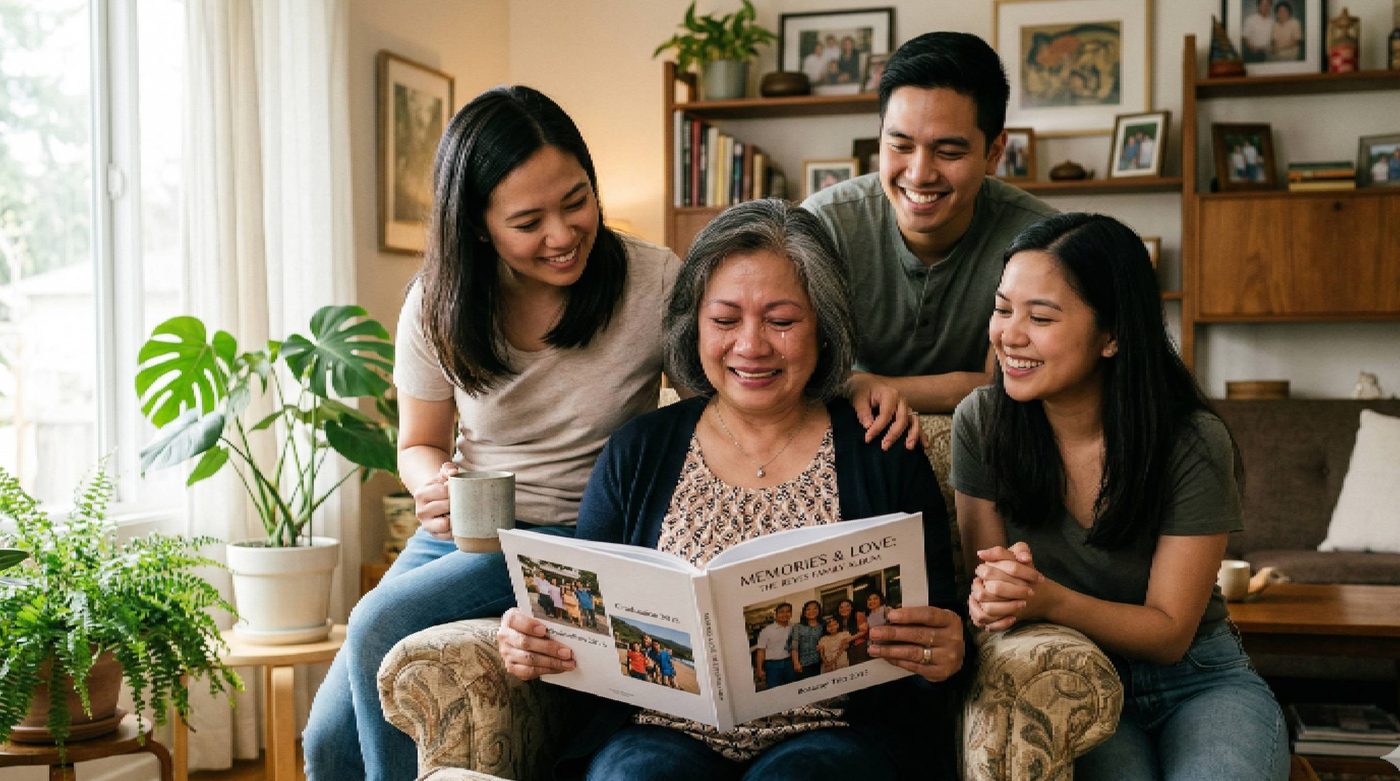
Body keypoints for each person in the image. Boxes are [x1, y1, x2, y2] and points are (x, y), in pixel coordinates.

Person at [495, 199, 966, 781]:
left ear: (824, 324)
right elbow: (584, 630)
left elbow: (938, 623)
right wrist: (534, 643)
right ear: (694, 325)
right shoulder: (637, 451)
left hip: (836, 736)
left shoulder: (882, 448)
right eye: (725, 321)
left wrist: (942, 650)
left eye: (782, 320)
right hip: (655, 734)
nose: (751, 346)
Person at [300, 85, 683, 781]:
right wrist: (431, 483)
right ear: (478, 226)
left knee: (375, 623)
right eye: (528, 221)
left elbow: (718, 410)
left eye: (576, 201)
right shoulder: (438, 302)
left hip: (577, 535)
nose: (563, 235)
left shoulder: (652, 280)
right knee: (328, 740)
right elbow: (419, 441)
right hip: (468, 532)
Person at [953, 212, 1289, 780]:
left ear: (1112, 335)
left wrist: (1048, 598)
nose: (1009, 334)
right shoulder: (982, 424)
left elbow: (1168, 632)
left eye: (1040, 317)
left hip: (1198, 679)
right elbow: (992, 604)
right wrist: (998, 599)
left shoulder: (1190, 439)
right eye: (1003, 308)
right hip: (1068, 678)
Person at [802, 32, 1056, 414]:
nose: (919, 174)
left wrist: (864, 385)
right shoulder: (824, 225)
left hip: (991, 437)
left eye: (949, 151)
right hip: (849, 430)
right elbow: (797, 370)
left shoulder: (1041, 241)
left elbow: (1005, 384)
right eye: (900, 146)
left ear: (994, 153)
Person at [753, 603, 797, 689]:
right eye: (781, 612)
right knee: (775, 690)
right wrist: (759, 669)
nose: (785, 614)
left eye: (788, 611)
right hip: (772, 666)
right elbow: (761, 651)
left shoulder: (794, 627)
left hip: (789, 663)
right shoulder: (766, 631)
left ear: (791, 614)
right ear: (776, 614)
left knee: (792, 688)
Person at [790, 600, 826, 680]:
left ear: (819, 610)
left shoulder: (823, 625)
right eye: (808, 609)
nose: (812, 611)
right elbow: (794, 646)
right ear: (804, 612)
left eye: (815, 608)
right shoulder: (798, 627)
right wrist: (796, 663)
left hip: (821, 662)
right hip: (804, 664)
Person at [834, 597, 870, 664]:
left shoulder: (858, 615)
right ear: (838, 609)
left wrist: (849, 639)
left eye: (847, 606)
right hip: (847, 649)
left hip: (860, 645)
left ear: (852, 607)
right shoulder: (839, 620)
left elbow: (864, 631)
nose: (844, 609)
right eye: (841, 607)